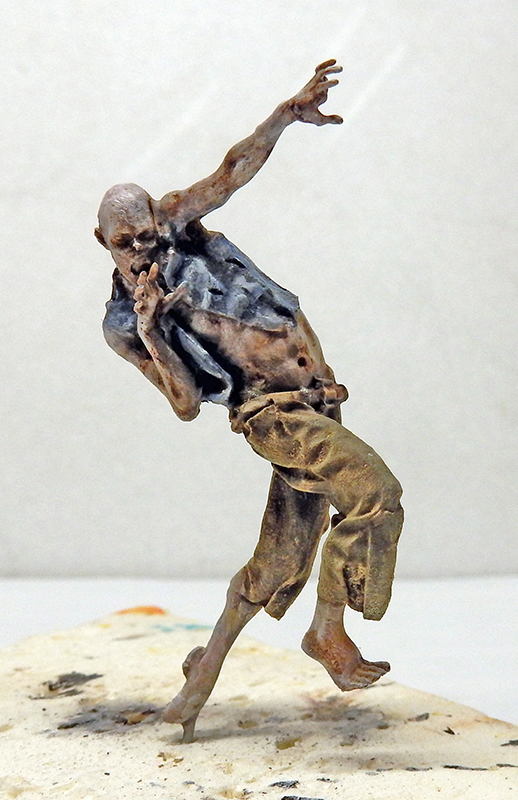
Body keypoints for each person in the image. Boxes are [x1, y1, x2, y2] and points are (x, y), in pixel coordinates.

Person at [95, 60, 403, 742]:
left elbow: (231, 171)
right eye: (125, 244)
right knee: (375, 494)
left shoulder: (177, 224)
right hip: (273, 413)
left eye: (146, 235)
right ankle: (328, 631)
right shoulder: (122, 325)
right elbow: (184, 404)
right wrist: (154, 329)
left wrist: (286, 114)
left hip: (320, 398)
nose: (142, 251)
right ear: (101, 243)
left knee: (282, 559)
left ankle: (197, 683)